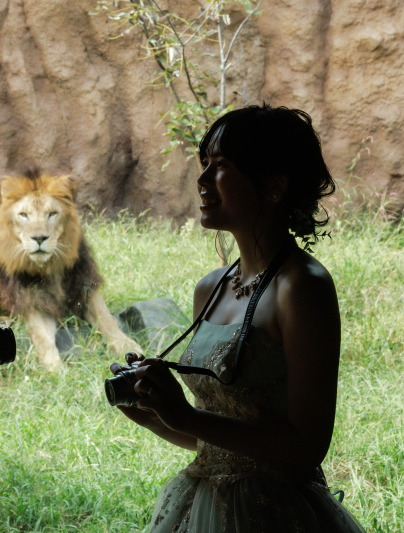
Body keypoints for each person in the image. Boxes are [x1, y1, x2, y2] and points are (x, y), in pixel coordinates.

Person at [111, 104, 366, 532]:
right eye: (205, 163)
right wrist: (158, 415)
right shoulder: (210, 288)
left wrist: (185, 416)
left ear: (274, 186)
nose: (202, 179)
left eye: (221, 165)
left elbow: (306, 446)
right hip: (203, 503)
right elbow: (216, 444)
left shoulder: (303, 287)